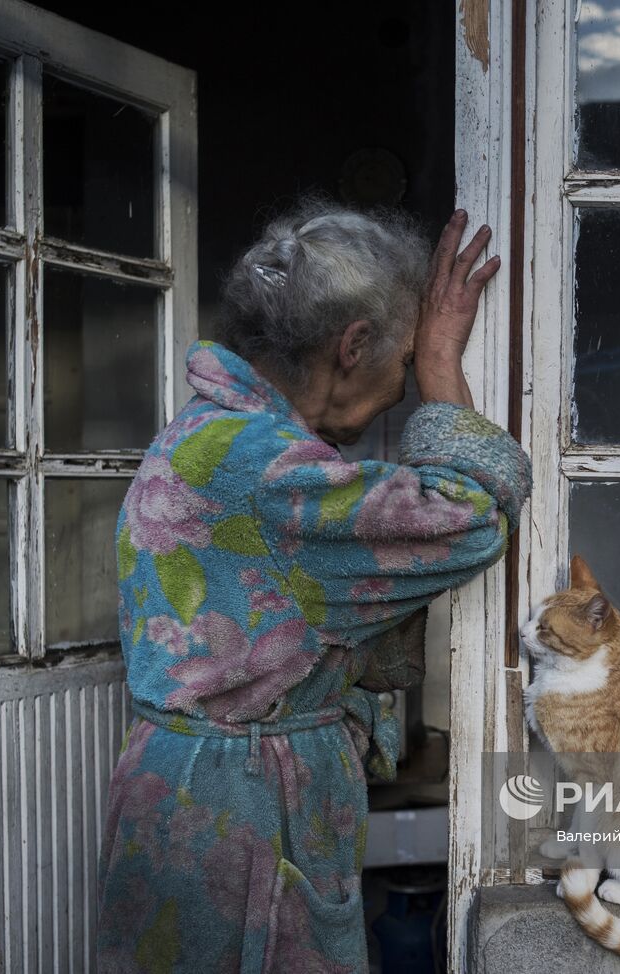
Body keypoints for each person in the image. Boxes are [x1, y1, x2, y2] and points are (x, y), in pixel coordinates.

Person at [96, 201, 531, 972]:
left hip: (185, 795)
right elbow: (470, 516)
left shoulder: (207, 432)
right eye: (399, 368)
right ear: (354, 345)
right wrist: (442, 366)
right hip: (238, 812)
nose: (400, 392)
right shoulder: (271, 473)